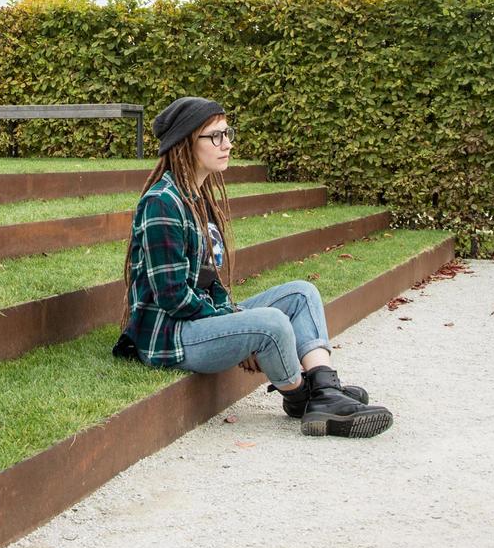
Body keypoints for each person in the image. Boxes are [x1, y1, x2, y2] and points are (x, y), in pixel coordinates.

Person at [113, 96, 393, 438]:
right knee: (270, 323)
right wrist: (233, 324)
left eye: (227, 133)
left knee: (302, 294)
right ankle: (303, 396)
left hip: (197, 321)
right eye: (215, 136)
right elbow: (172, 296)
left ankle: (325, 389)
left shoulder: (197, 199)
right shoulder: (162, 203)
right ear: (185, 142)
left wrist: (231, 318)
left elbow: (209, 281)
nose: (227, 143)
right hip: (172, 336)